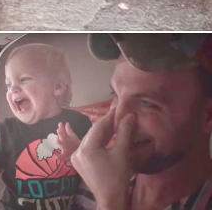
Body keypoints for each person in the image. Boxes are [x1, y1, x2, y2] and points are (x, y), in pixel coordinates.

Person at [71, 33, 212, 210]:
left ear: (208, 116)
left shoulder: (105, 191)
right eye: (115, 95)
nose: (117, 119)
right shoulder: (95, 180)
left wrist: (110, 203)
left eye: (147, 103)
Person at [0, 43, 93, 209]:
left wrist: (77, 152)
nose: (13, 88)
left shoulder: (79, 123)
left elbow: (96, 168)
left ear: (57, 87)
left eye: (24, 79)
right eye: (8, 84)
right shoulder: (8, 129)